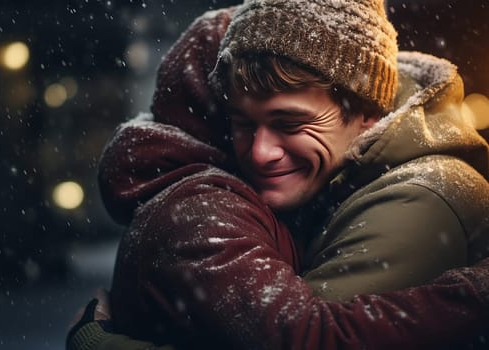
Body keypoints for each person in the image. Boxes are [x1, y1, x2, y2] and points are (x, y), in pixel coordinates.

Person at [69, 1, 489, 349]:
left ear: (367, 112)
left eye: (290, 123)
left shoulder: (419, 201)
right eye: (242, 123)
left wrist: (99, 344)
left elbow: (317, 342)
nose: (259, 152)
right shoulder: (329, 183)